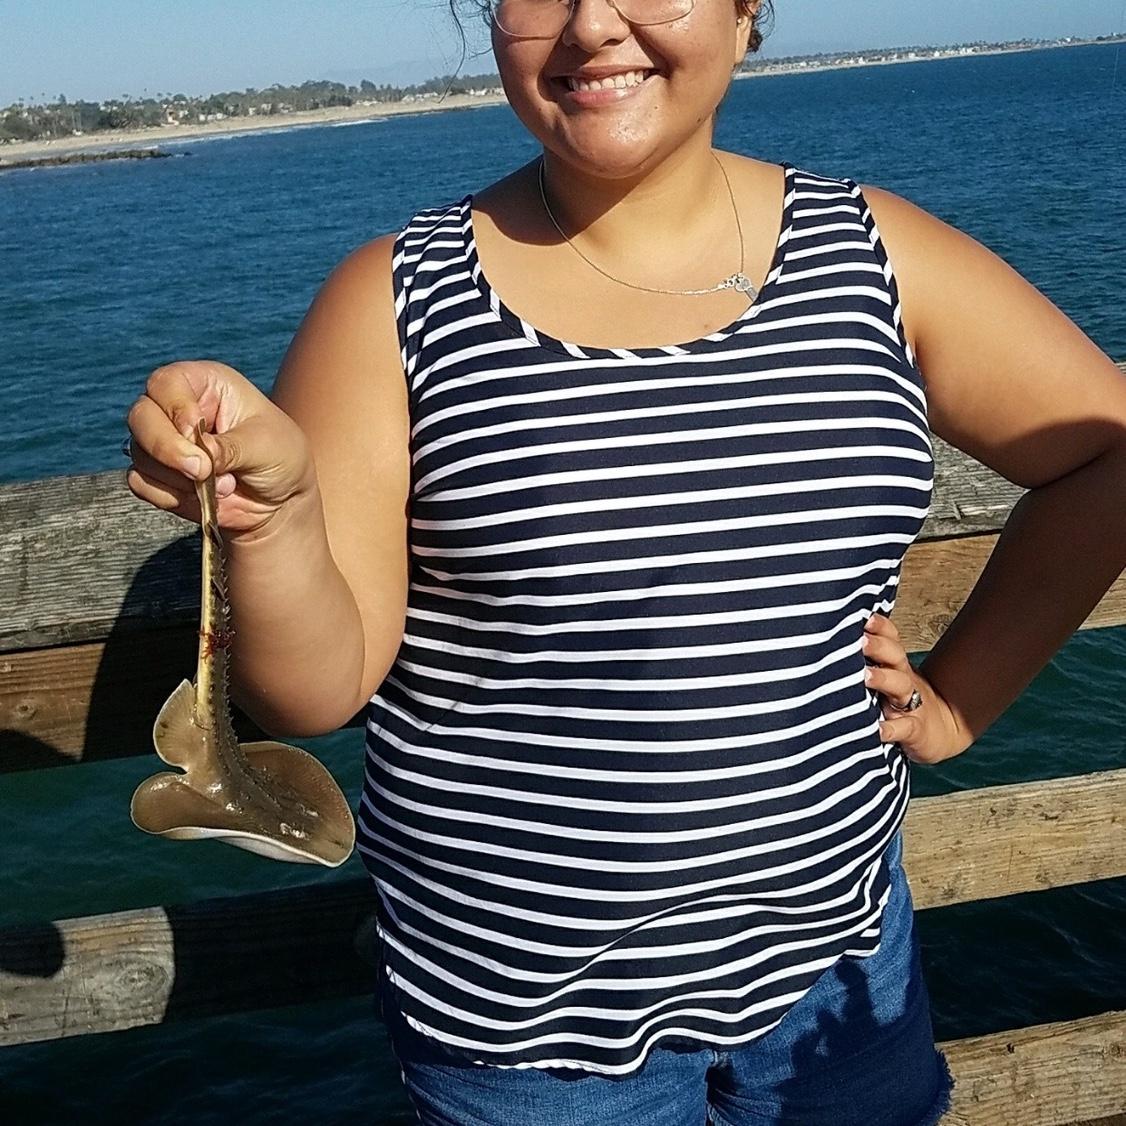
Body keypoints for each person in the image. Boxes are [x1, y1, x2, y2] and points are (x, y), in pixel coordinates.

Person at [123, 0, 1126, 1122]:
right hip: (518, 1031)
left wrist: (960, 701)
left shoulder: (877, 257)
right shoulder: (393, 302)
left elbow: (1106, 451)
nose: (593, 24)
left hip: (837, 967)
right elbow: (316, 687)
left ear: (748, 14)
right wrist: (275, 518)